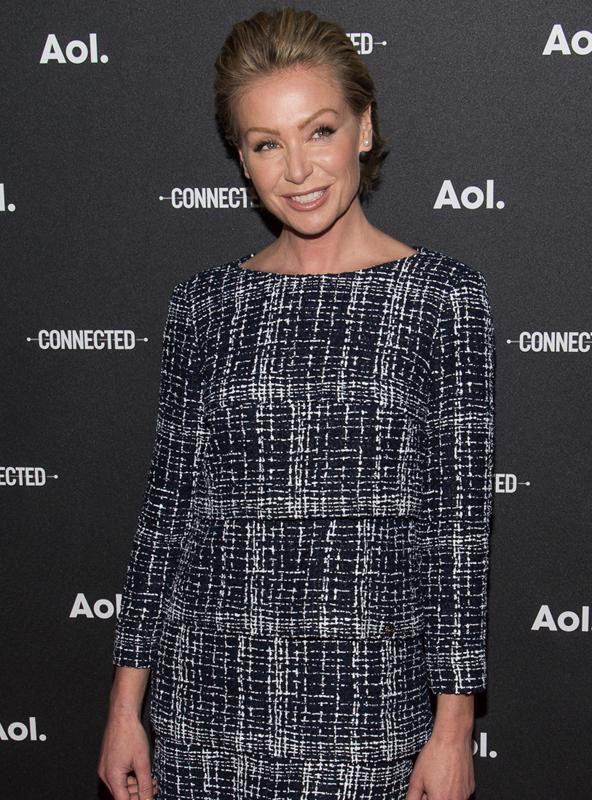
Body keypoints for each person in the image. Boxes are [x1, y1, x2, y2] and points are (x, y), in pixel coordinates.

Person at [97, 7, 496, 800]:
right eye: (266, 143)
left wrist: (452, 732)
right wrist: (123, 708)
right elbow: (168, 515)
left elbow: (458, 537)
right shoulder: (205, 305)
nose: (298, 170)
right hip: (204, 706)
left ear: (364, 127)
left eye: (318, 130)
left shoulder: (443, 298)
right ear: (242, 160)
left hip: (370, 709)